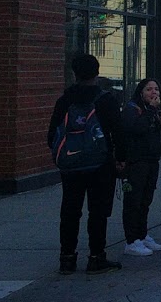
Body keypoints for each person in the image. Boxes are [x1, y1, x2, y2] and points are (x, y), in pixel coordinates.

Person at [48, 54, 128, 274]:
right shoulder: (106, 99)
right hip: (100, 164)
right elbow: (118, 132)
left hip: (71, 164)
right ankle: (96, 256)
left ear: (74, 73)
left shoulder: (64, 100)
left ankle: (67, 257)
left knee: (70, 210)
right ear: (97, 72)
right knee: (98, 211)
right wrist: (121, 159)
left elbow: (51, 135)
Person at [119, 79, 161, 256]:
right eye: (149, 89)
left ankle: (142, 234)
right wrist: (153, 112)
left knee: (146, 200)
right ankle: (132, 240)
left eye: (156, 89)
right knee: (134, 201)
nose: (153, 93)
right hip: (136, 161)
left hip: (152, 160)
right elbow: (136, 128)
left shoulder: (150, 111)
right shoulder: (132, 109)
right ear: (141, 92)